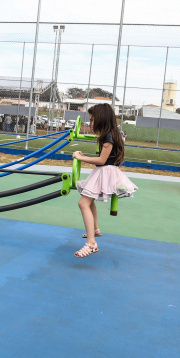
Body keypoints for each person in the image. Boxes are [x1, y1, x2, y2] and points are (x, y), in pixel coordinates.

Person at [71, 103, 139, 258]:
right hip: (104, 171)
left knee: (83, 203)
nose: (90, 124)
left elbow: (102, 160)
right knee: (89, 200)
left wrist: (80, 157)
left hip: (105, 171)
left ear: (101, 119)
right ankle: (94, 229)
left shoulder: (109, 136)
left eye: (92, 120)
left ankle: (91, 243)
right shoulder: (110, 133)